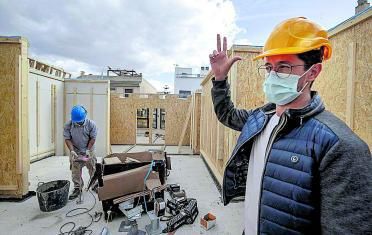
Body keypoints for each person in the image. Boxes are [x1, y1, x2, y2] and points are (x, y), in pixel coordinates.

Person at [209, 17, 371, 234]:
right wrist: (220, 79)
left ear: (312, 72)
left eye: (284, 67)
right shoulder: (260, 118)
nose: (273, 75)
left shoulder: (339, 146)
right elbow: (227, 115)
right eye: (269, 67)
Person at [64, 105, 98, 200]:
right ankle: (77, 188)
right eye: (77, 122)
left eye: (80, 122)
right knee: (75, 170)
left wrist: (88, 150)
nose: (79, 123)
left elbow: (92, 138)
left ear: (85, 116)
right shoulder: (68, 125)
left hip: (88, 149)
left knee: (92, 167)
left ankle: (95, 184)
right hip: (76, 151)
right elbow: (67, 139)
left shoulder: (91, 124)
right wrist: (71, 151)